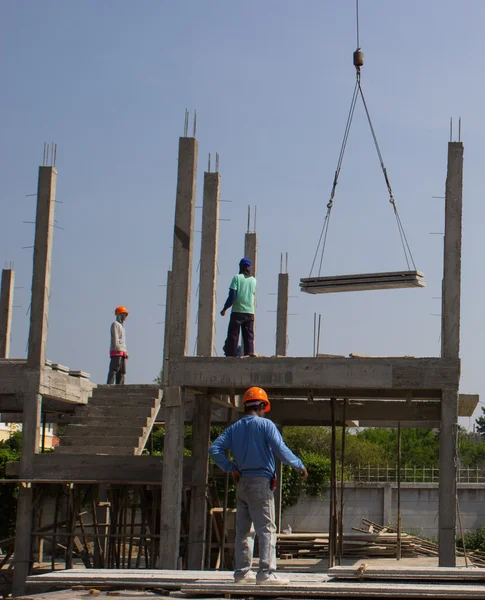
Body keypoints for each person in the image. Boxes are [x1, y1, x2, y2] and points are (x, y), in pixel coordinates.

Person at [209, 387, 308, 585]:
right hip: (260, 484)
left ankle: (242, 574)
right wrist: (298, 465)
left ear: (245, 405)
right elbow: (280, 449)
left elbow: (214, 449)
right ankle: (266, 573)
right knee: (267, 529)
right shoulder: (266, 425)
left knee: (244, 531)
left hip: (242, 483)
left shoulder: (234, 428)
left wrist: (230, 467)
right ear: (262, 405)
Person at [221, 257, 256, 356]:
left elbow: (232, 296)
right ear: (249, 268)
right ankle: (250, 355)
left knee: (233, 335)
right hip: (250, 312)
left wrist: (225, 308)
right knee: (249, 337)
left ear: (241, 267)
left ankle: (231, 357)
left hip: (237, 311)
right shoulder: (254, 280)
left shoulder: (237, 278)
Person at [107, 306, 129, 385]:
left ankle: (120, 386)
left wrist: (125, 351)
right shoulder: (115, 324)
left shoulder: (122, 327)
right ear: (119, 315)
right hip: (116, 351)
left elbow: (123, 341)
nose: (125, 317)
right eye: (124, 315)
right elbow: (116, 338)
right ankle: (110, 385)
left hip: (122, 352)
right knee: (114, 369)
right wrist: (118, 348)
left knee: (122, 371)